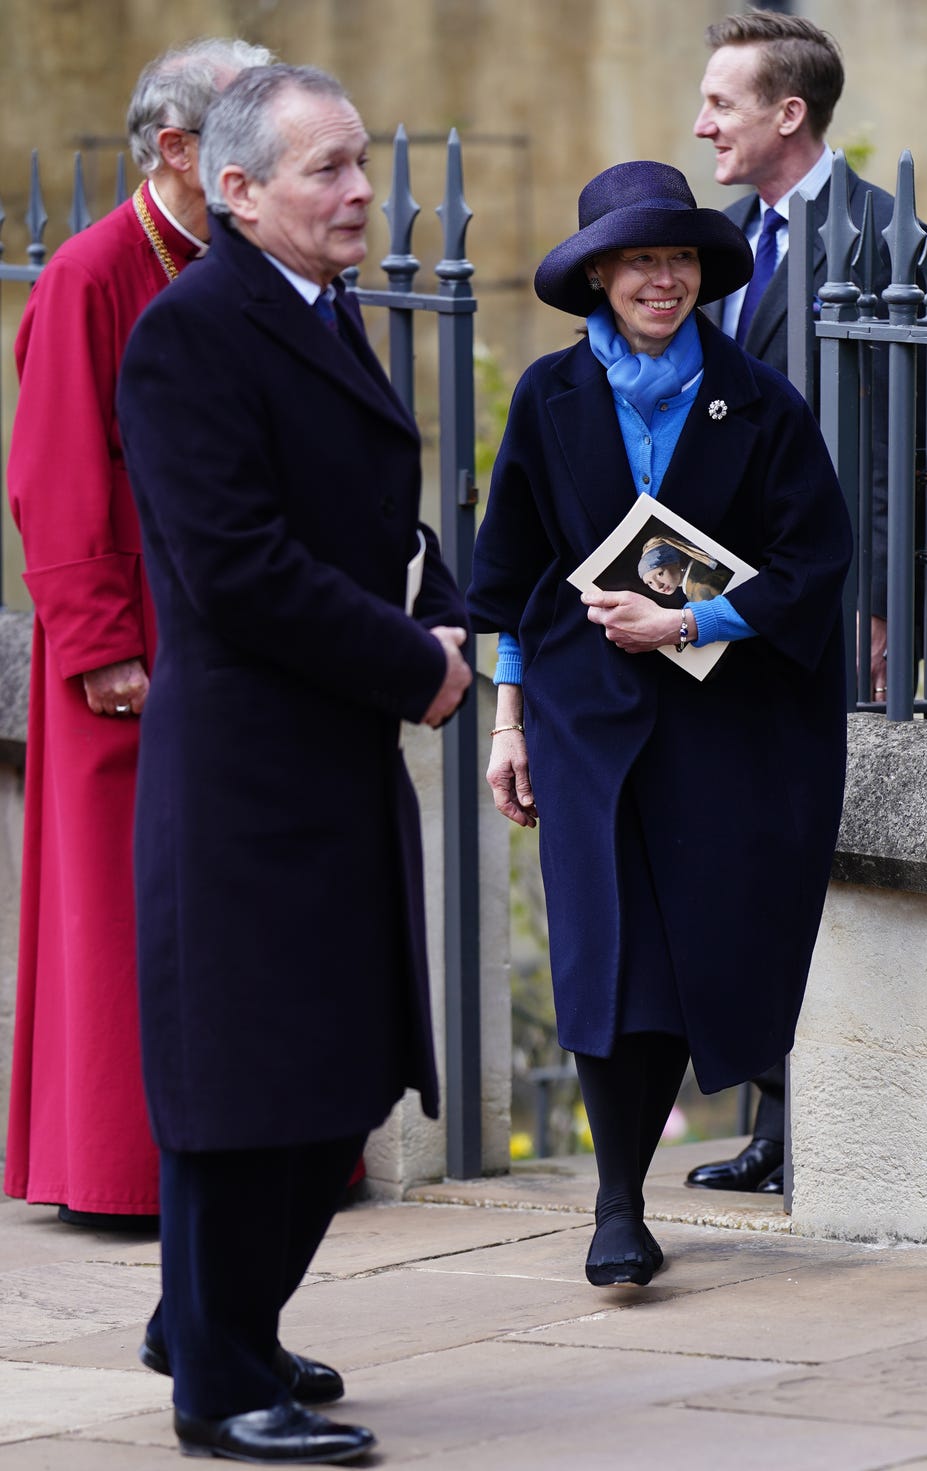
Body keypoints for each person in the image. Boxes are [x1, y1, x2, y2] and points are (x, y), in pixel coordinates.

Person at [116, 63, 471, 1463]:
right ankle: (215, 1380)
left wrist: (441, 600)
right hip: (250, 771)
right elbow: (240, 568)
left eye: (361, 161)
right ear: (236, 187)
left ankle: (241, 1325)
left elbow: (373, 520)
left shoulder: (317, 308)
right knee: (242, 1078)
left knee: (333, 1061)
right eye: (326, 168)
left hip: (328, 752)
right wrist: (415, 662)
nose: (361, 190)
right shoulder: (191, 332)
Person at [467, 159, 851, 1288]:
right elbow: (508, 573)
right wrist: (507, 721)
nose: (661, 279)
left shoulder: (760, 401)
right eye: (639, 258)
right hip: (582, 720)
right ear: (596, 273)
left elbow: (815, 564)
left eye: (677, 258)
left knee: (688, 951)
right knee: (603, 949)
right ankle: (616, 1203)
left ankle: (642, 1173)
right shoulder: (547, 397)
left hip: (721, 725)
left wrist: (690, 620)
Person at [4, 36, 273, 1229]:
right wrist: (102, 640)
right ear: (177, 151)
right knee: (125, 910)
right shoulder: (93, 271)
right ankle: (123, 1168)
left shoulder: (250, 261)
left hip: (241, 635)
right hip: (133, 653)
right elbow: (55, 476)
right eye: (245, 134)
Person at [688, 9, 895, 1195]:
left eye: (721, 101)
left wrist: (866, 601)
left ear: (787, 114)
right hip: (719, 605)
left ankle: (810, 1127)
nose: (701, 121)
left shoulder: (878, 236)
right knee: (747, 857)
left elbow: (885, 442)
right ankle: (772, 1118)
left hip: (826, 606)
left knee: (806, 850)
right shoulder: (717, 240)